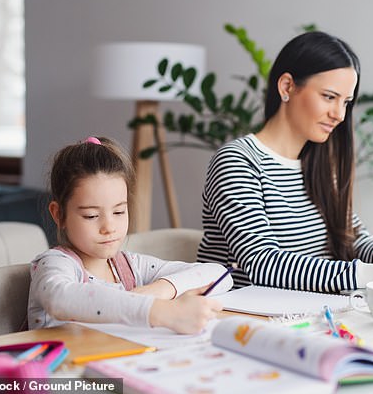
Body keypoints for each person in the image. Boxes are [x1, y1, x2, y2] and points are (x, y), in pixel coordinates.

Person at [198, 31, 373, 292]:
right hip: (244, 319)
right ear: (287, 86)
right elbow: (263, 263)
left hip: (312, 313)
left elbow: (354, 240)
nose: (339, 114)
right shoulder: (238, 161)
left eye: (346, 101)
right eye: (329, 97)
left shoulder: (319, 165)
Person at [28, 136, 232, 334]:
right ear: (59, 214)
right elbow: (60, 298)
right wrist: (161, 311)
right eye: (91, 215)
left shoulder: (129, 267)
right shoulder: (55, 264)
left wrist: (160, 290)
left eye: (118, 212)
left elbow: (218, 274)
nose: (109, 227)